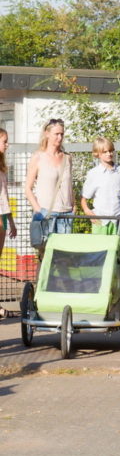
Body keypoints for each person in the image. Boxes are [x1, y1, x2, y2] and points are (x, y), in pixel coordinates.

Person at [24, 118, 74, 237]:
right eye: (56, 134)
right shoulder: (38, 157)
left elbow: (70, 186)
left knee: (63, 253)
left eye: (62, 134)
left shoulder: (67, 158)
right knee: (46, 251)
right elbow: (27, 188)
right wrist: (38, 210)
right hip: (46, 213)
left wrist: (73, 207)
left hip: (66, 214)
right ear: (47, 134)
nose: (60, 138)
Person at [81, 137, 120, 234]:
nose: (109, 154)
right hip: (100, 220)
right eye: (105, 152)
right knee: (99, 248)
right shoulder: (93, 173)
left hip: (117, 219)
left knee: (114, 248)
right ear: (97, 154)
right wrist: (88, 211)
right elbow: (84, 198)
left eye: (111, 151)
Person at [0, 128, 17, 319]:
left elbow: (4, 196)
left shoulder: (2, 166)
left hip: (2, 215)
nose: (7, 144)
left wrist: (10, 221)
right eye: (4, 141)